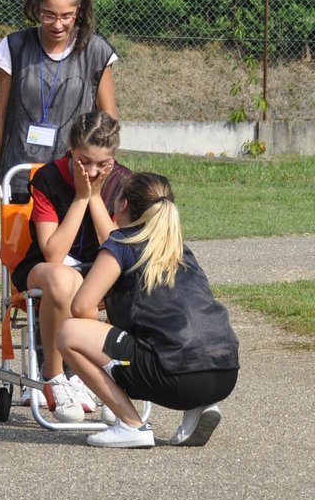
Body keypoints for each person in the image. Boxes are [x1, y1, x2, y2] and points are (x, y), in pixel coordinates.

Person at [58, 172, 239, 449]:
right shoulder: (180, 249)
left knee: (69, 332)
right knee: (172, 340)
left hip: (177, 376)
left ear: (123, 205)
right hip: (224, 371)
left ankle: (131, 424)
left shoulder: (120, 244)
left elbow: (81, 306)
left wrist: (106, 347)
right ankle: (198, 407)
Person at [12, 111, 133, 423]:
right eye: (84, 160)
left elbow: (116, 247)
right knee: (64, 279)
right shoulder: (48, 178)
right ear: (70, 148)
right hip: (44, 269)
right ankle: (54, 377)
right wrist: (81, 198)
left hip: (95, 269)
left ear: (114, 157)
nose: (92, 171)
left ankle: (98, 377)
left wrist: (94, 197)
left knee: (109, 282)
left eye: (102, 163)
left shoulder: (122, 180)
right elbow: (52, 253)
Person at [0, 0, 118, 224]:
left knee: (68, 258)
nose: (57, 24)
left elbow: (109, 121)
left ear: (79, 11)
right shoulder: (15, 46)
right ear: (36, 9)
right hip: (21, 177)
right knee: (20, 259)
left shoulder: (96, 51)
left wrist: (102, 178)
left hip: (73, 178)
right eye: (48, 15)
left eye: (66, 16)